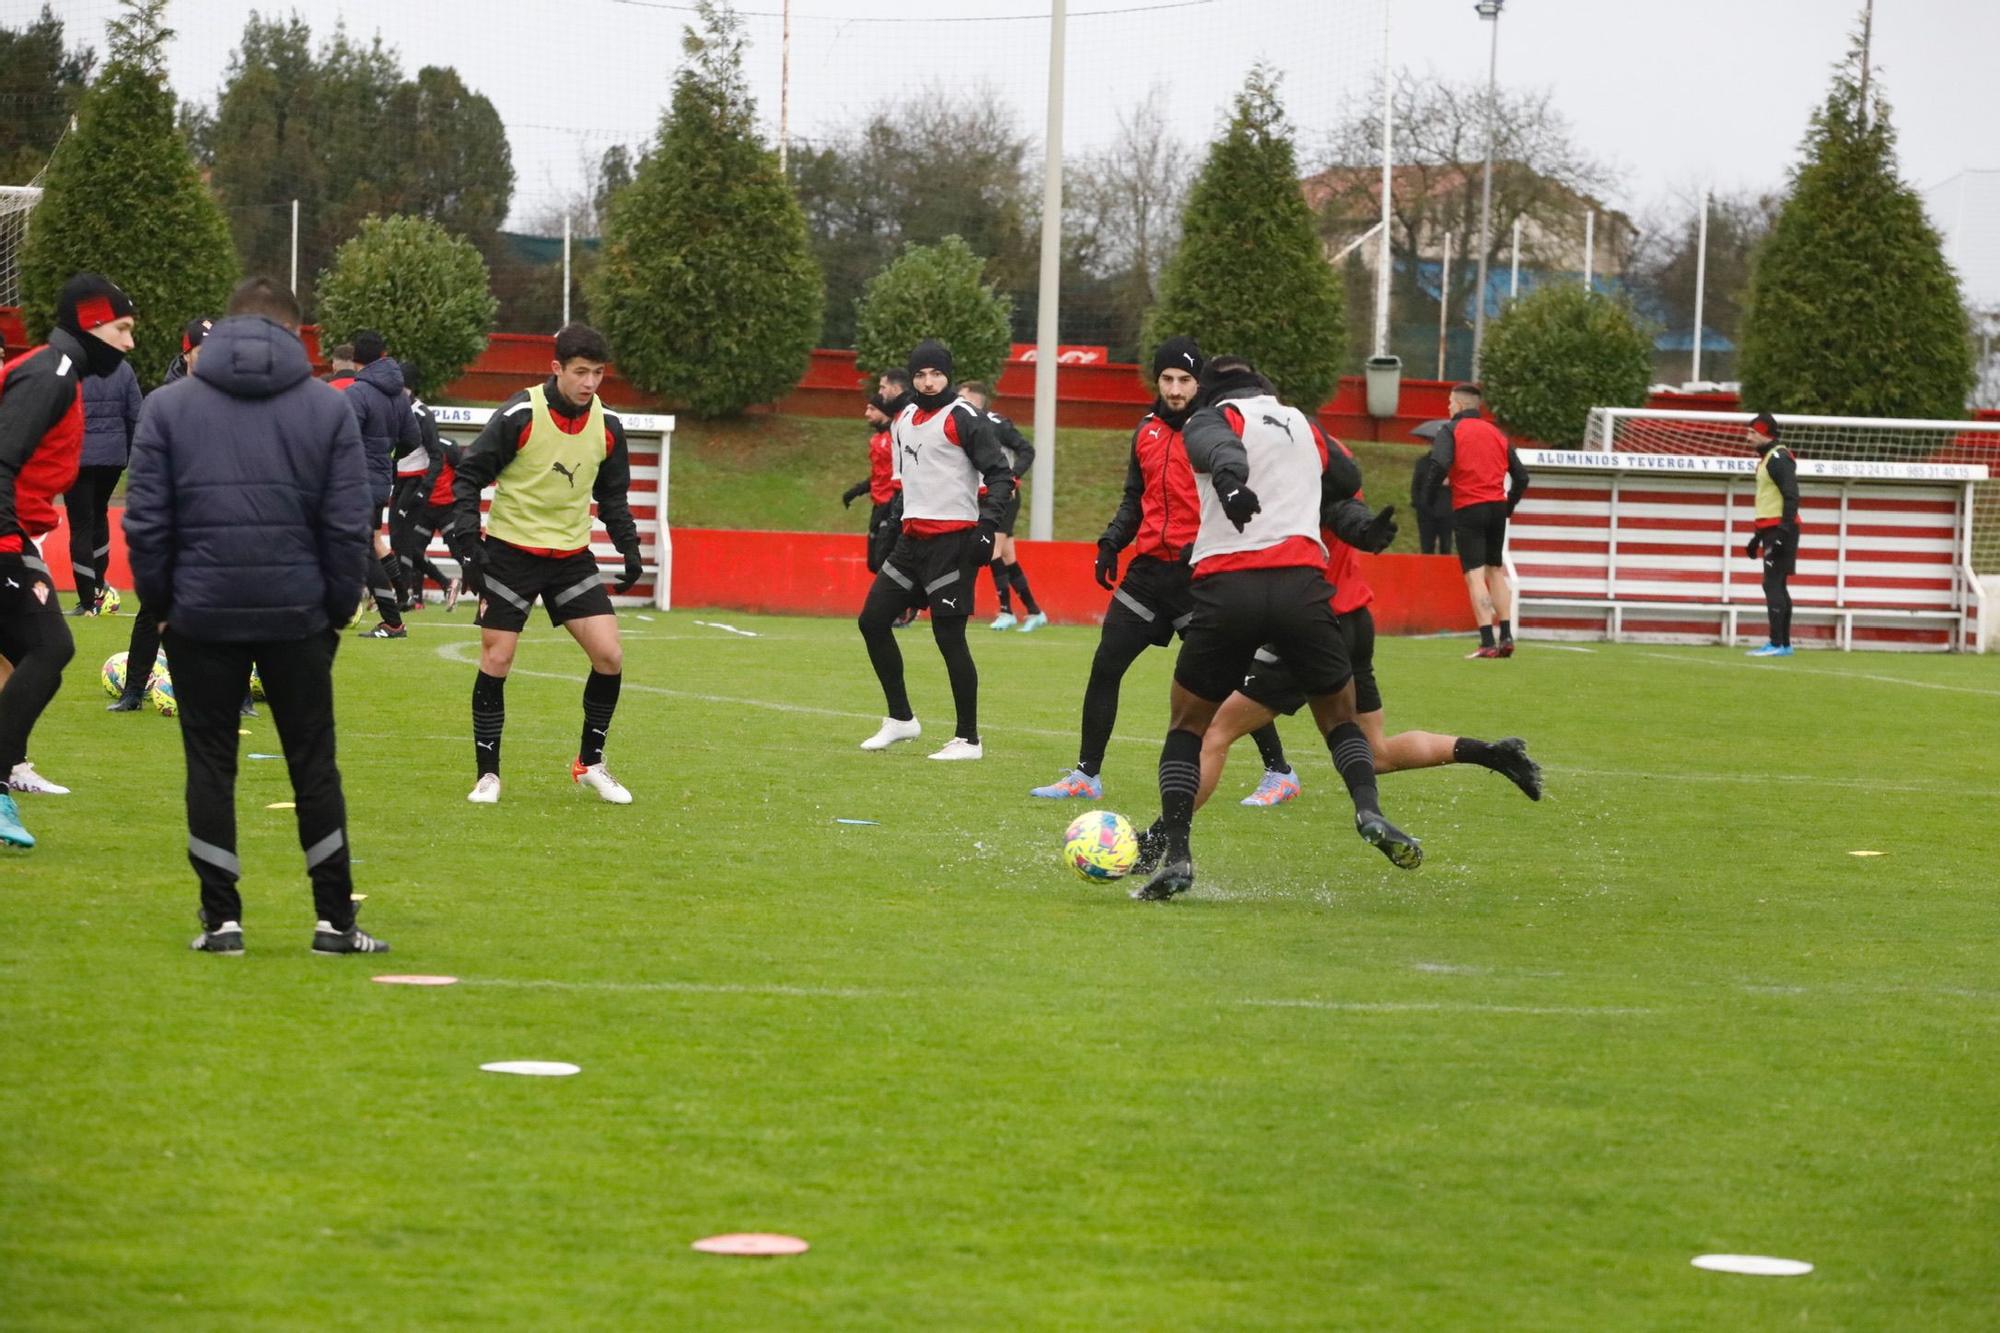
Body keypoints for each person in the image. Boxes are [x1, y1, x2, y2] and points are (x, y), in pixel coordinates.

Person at [123, 276, 385, 953]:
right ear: (297, 333)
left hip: (198, 616)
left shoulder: (167, 407)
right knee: (314, 765)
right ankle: (335, 922)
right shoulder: (327, 410)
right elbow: (346, 523)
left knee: (209, 763)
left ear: (222, 327)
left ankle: (222, 923)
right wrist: (331, 613)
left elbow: (147, 523)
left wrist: (161, 607)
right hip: (298, 616)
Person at [1126, 355, 1407, 902]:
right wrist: (1365, 530)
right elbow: (1344, 481)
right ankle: (1368, 811)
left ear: (1211, 391)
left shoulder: (1215, 416)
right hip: (1303, 591)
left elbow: (1216, 447)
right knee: (1340, 717)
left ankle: (1177, 854)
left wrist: (1231, 484)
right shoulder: (1304, 424)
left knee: (1189, 728)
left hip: (1229, 590)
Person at [1029, 336, 1300, 805]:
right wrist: (1112, 540)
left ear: (1200, 383)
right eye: (1168, 379)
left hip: (1200, 577)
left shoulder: (1217, 432)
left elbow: (1243, 500)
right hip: (1148, 576)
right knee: (1105, 666)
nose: (1175, 389)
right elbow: (1135, 497)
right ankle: (1085, 776)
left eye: (1185, 380)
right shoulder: (1147, 430)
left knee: (1225, 682)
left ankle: (1281, 773)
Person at [1197, 495, 1544, 812]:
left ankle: (1162, 840)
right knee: (1376, 752)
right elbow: (1348, 513)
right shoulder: (1329, 466)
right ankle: (1491, 753)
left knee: (1214, 730)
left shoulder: (1297, 476)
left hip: (1311, 623)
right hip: (1355, 621)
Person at [447, 322, 645, 805]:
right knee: (498, 658)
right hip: (510, 556)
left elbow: (613, 497)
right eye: (581, 372)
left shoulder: (608, 425)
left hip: (570, 559)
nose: (590, 383)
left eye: (598, 373)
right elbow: (469, 475)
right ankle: (488, 776)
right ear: (556, 368)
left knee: (610, 656)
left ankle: (590, 763)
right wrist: (469, 546)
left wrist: (629, 547)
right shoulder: (520, 414)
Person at [0, 274, 134, 847]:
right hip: (5, 535)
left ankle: (9, 774)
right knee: (50, 648)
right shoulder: (51, 373)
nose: (129, 343)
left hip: (14, 532)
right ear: (91, 323)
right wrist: (15, 549)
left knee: (32, 656)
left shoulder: (59, 373)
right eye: (123, 329)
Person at [853, 339, 1015, 760]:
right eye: (921, 374)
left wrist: (987, 526)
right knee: (872, 621)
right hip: (912, 541)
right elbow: (909, 481)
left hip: (953, 543)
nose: (928, 382)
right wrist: (894, 525)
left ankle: (968, 739)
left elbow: (1001, 476)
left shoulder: (965, 419)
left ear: (949, 375)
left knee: (949, 637)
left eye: (936, 374)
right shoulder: (903, 418)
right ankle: (901, 719)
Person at [111, 318, 214, 714]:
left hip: (219, 517)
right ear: (186, 353)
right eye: (203, 353)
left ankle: (239, 696)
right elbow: (144, 461)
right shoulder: (162, 401)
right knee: (154, 603)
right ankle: (133, 691)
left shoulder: (239, 398)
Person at [1419, 383, 1528, 659]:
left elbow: (1439, 463)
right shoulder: (1497, 434)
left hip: (1469, 506)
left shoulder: (1450, 431)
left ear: (1458, 404)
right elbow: (1522, 476)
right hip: (1496, 506)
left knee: (1475, 575)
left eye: (1449, 402)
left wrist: (1427, 498)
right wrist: (1509, 505)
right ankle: (1506, 636)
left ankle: (1486, 641)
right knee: (1495, 569)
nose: (1448, 407)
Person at [342, 329, 418, 638]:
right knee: (370, 542)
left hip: (353, 484)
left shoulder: (356, 394)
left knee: (362, 550)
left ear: (355, 360)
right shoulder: (398, 396)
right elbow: (413, 439)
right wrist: (389, 461)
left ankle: (393, 621)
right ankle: (400, 596)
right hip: (380, 483)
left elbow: (343, 439)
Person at [957, 380, 1046, 632]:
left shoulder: (997, 424)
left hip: (1003, 495)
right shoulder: (966, 425)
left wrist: (1013, 476)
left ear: (975, 399)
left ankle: (1006, 611)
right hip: (984, 495)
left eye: (962, 397)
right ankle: (1034, 611)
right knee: (1007, 556)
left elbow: (1027, 450)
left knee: (992, 549)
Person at [64, 346, 142, 614]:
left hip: (77, 456)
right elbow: (135, 414)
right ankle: (98, 588)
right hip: (112, 456)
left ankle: (87, 602)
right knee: (100, 514)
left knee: (81, 526)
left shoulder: (69, 367)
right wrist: (127, 452)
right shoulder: (123, 368)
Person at [390, 366, 462, 613]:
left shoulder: (422, 414)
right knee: (401, 542)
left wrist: (424, 487)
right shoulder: (393, 409)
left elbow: (436, 456)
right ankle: (434, 585)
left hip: (420, 488)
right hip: (400, 483)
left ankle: (404, 594)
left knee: (406, 542)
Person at [1743, 411, 1800, 658]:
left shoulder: (1778, 458)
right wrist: (1757, 537)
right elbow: (1768, 502)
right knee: (1778, 584)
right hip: (1772, 528)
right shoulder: (1769, 458)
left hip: (1781, 528)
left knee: (1772, 584)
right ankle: (1784, 644)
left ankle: (1776, 643)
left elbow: (1791, 495)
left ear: (1765, 433)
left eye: (1753, 432)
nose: (1748, 437)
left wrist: (1782, 532)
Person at [841, 389, 903, 576]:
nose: (867, 413)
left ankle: (903, 602)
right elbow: (879, 475)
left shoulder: (896, 437)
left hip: (892, 506)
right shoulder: (876, 440)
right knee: (874, 564)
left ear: (884, 412)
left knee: (884, 561)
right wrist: (857, 490)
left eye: (872, 409)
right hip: (878, 506)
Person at [1411, 449, 1453, 556]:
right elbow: (1416, 486)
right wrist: (1419, 505)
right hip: (1426, 512)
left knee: (1446, 546)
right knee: (1427, 547)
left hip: (1446, 512)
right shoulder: (1423, 462)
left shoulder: (1451, 464)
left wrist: (1450, 482)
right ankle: (1427, 571)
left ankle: (1444, 570)